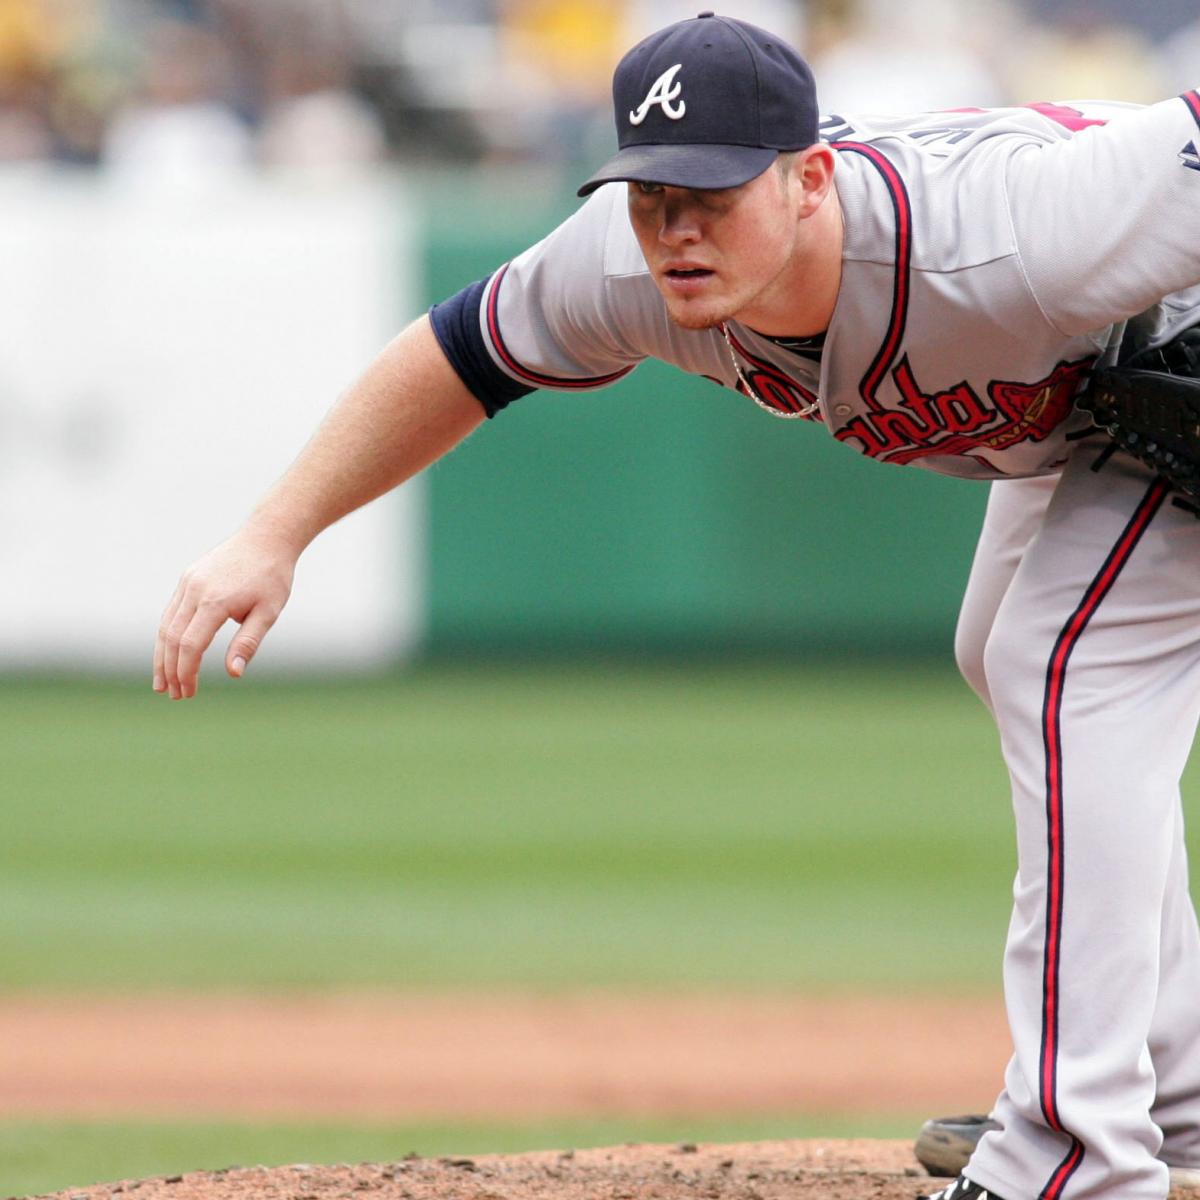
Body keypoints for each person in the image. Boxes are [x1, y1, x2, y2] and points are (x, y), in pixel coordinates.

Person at [153, 12, 1200, 1200]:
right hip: (1086, 412)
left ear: (810, 180)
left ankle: (1072, 1158)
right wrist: (273, 534)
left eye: (710, 193)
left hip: (1164, 345)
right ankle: (1172, 1103)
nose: (676, 229)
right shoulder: (623, 266)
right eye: (652, 194)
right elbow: (458, 353)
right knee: (1001, 654)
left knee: (1061, 666)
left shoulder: (1028, 229)